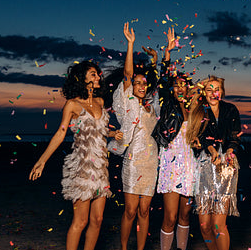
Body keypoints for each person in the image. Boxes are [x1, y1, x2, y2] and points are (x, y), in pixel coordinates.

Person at [29, 60, 123, 250]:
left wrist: (112, 133)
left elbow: (99, 129)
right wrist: (41, 161)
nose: (98, 77)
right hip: (83, 166)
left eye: (98, 74)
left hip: (101, 167)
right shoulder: (72, 105)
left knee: (97, 220)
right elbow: (61, 132)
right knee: (80, 221)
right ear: (82, 78)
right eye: (93, 74)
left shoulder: (100, 101)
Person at [108, 22, 159, 250]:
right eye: (136, 83)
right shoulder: (128, 101)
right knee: (129, 210)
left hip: (150, 160)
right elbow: (128, 74)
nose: (140, 85)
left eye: (143, 83)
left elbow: (158, 82)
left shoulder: (152, 106)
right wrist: (131, 44)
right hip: (132, 160)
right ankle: (124, 247)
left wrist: (156, 62)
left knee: (144, 210)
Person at [151, 27, 197, 250]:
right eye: (176, 84)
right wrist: (168, 52)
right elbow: (163, 78)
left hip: (190, 165)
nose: (179, 87)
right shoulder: (167, 105)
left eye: (183, 84)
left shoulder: (195, 111)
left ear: (189, 89)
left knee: (185, 216)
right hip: (170, 164)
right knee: (169, 217)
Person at [186, 76, 242, 250]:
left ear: (222, 92)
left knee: (218, 224)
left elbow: (235, 137)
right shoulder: (199, 111)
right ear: (204, 91)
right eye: (209, 89)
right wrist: (210, 151)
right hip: (204, 166)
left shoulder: (231, 109)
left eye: (216, 89)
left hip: (226, 166)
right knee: (205, 226)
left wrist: (230, 153)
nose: (213, 93)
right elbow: (201, 138)